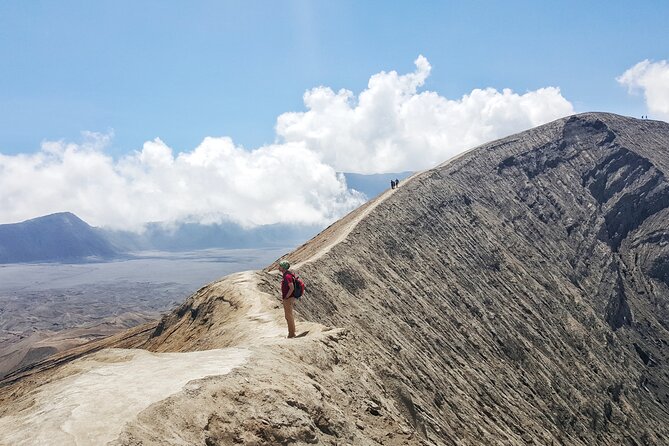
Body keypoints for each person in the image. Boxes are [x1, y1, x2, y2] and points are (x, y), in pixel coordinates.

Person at [278, 260, 297, 338]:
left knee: (288, 316)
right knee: (289, 316)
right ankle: (292, 332)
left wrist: (286, 297)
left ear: (283, 267)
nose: (278, 268)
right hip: (289, 298)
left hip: (288, 299)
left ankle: (291, 334)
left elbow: (291, 287)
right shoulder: (287, 274)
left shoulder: (287, 276)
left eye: (280, 266)